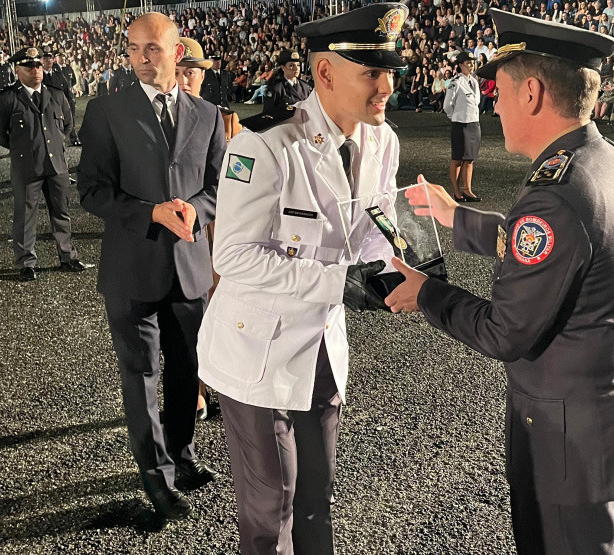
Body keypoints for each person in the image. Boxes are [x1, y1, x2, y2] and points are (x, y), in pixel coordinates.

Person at [386, 10, 614, 554]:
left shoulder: (555, 193)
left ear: (531, 92)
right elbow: (542, 249)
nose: (493, 104)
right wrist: (454, 217)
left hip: (567, 438)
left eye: (499, 91)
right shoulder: (598, 161)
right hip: (595, 420)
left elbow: (506, 331)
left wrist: (427, 293)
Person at [196, 4, 408, 553]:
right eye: (372, 72)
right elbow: (235, 256)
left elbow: (368, 232)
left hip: (320, 345)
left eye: (390, 70)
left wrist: (400, 262)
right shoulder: (264, 145)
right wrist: (340, 283)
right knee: (272, 509)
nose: (387, 85)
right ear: (325, 74)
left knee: (318, 497)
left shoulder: (383, 140)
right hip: (256, 348)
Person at [77, 12, 226, 520]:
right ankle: (156, 480)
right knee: (141, 375)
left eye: (153, 48)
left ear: (177, 51)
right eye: (134, 48)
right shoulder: (105, 112)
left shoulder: (207, 115)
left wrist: (194, 211)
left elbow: (219, 186)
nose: (142, 57)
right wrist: (150, 213)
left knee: (188, 372)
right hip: (131, 268)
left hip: (188, 268)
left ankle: (181, 457)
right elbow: (92, 191)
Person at [174, 36, 240, 422]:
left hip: (228, 227)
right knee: (193, 313)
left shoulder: (227, 119)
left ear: (203, 76)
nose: (185, 79)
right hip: (191, 229)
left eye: (192, 72)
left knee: (228, 310)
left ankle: (224, 382)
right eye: (179, 71)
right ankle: (196, 388)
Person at [0, 47, 84, 282]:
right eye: (29, 67)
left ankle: (67, 256)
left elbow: (67, 127)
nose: (36, 70)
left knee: (61, 212)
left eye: (38, 65)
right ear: (17, 70)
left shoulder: (57, 94)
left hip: (56, 166)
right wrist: (22, 148)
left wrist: (54, 148)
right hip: (27, 166)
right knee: (25, 216)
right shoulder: (7, 97)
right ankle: (26, 262)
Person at [444, 51, 482, 201]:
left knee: (470, 158)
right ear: (460, 65)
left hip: (473, 123)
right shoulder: (455, 82)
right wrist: (454, 117)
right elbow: (447, 105)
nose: (471, 65)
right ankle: (456, 191)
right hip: (460, 123)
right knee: (458, 158)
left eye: (472, 62)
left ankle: (467, 190)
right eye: (468, 63)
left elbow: (476, 102)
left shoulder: (474, 81)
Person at [41, 50, 80, 146]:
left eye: (50, 58)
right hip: (46, 107)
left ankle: (68, 139)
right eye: (45, 58)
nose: (48, 60)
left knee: (67, 123)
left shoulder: (58, 74)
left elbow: (66, 89)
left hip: (59, 105)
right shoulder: (39, 76)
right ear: (41, 60)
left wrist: (70, 100)